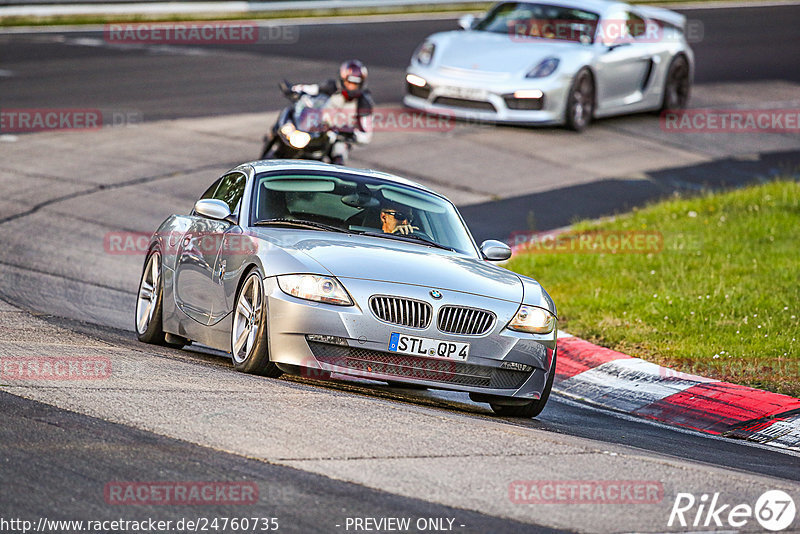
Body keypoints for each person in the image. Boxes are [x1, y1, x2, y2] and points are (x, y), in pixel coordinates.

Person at [291, 59, 374, 165]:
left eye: (355, 84)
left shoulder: (364, 103)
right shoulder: (332, 87)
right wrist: (294, 89)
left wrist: (352, 133)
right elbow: (311, 89)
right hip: (316, 128)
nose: (351, 87)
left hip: (338, 137)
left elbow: (367, 135)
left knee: (339, 155)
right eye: (349, 82)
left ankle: (336, 176)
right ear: (343, 79)